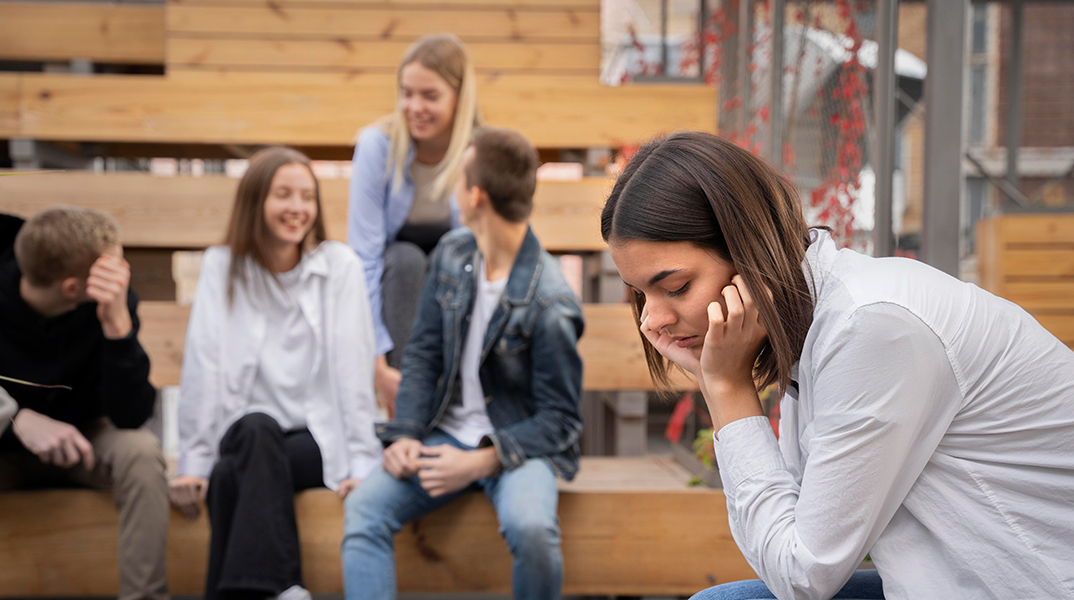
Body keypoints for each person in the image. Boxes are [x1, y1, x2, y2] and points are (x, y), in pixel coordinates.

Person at [600, 131, 1074, 600]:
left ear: (747, 249)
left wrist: (724, 386)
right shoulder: (818, 323)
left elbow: (802, 575)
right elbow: (784, 546)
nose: (652, 320)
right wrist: (717, 377)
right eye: (640, 293)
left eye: (676, 286)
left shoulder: (871, 327)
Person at [341, 127, 584, 600]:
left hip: (515, 447)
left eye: (457, 180)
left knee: (533, 529)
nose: (451, 189)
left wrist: (480, 462)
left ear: (475, 196)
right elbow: (424, 354)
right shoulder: (453, 254)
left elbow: (561, 421)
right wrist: (407, 433)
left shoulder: (551, 300)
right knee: (364, 512)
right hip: (442, 434)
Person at [170, 147, 382, 600]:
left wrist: (363, 462)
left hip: (315, 442)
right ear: (255, 201)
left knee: (230, 476)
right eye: (283, 194)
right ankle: (284, 588)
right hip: (246, 433)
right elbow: (202, 365)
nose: (298, 208)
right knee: (255, 430)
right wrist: (193, 460)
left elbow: (352, 369)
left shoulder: (339, 266)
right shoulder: (220, 267)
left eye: (307, 196)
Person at [0, 208, 167, 600]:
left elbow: (131, 415)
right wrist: (15, 417)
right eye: (114, 266)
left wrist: (118, 328)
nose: (122, 274)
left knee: (141, 454)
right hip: (5, 443)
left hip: (87, 438)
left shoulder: (112, 302)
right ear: (73, 288)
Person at [348, 34, 482, 417]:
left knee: (453, 256)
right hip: (396, 283)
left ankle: (454, 396)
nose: (414, 107)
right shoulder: (377, 146)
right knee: (405, 259)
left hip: (452, 282)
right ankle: (406, 403)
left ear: (459, 96)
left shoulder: (478, 152)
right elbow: (365, 258)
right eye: (407, 94)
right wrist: (377, 363)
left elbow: (488, 255)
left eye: (429, 96)